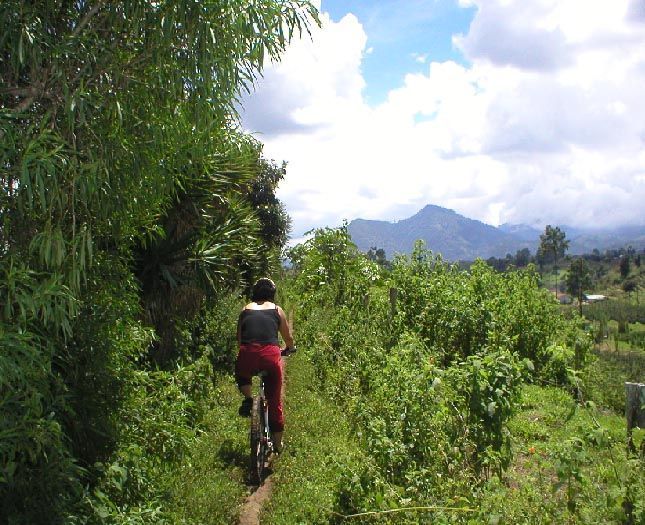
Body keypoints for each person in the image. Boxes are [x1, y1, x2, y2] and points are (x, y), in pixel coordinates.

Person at [235, 277, 294, 453]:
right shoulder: (277, 310)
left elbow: (239, 340)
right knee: (274, 402)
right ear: (272, 294)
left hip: (247, 354)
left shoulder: (245, 310)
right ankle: (278, 444)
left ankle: (247, 398)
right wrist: (290, 348)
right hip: (270, 356)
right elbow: (288, 338)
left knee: (242, 372)